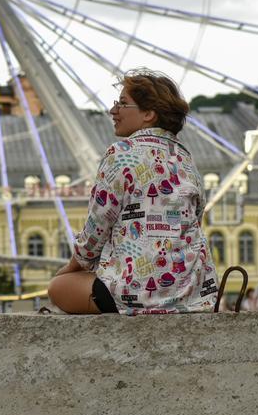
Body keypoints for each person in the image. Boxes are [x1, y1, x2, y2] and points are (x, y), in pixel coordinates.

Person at [48, 70, 217, 314]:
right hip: (192, 294)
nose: (113, 111)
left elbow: (96, 231)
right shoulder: (185, 159)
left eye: (123, 103)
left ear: (149, 113)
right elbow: (195, 220)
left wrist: (71, 268)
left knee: (58, 287)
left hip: (132, 294)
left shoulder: (120, 154)